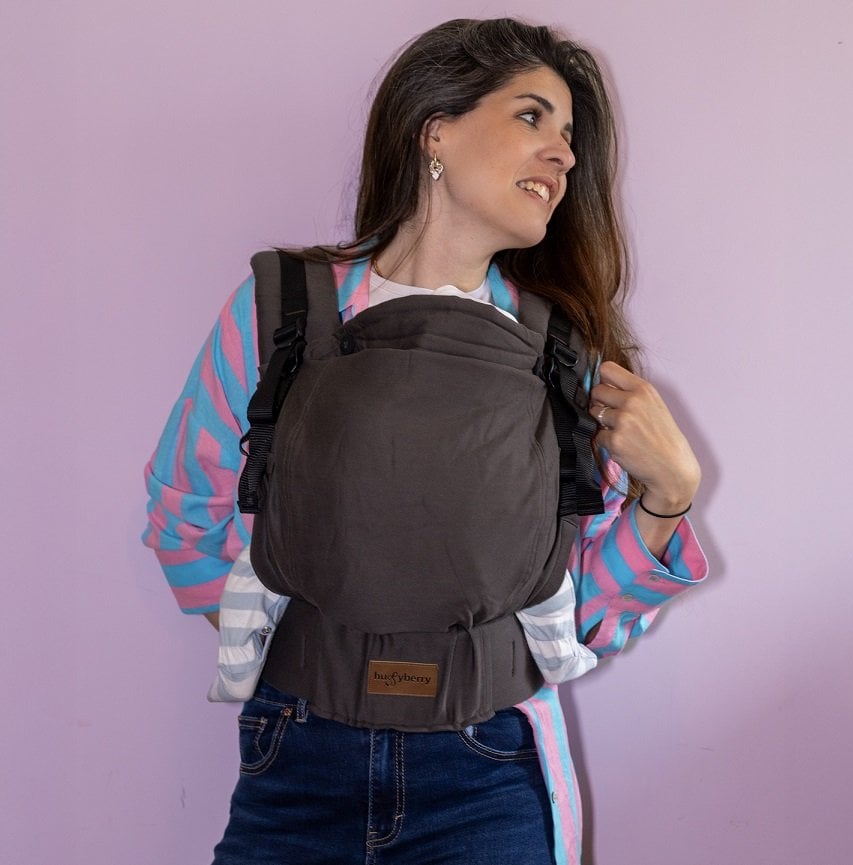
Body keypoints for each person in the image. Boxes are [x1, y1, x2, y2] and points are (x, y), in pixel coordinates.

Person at [143, 17, 707, 865]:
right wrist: (299, 640)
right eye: (533, 116)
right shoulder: (284, 312)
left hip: (487, 776)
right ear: (435, 128)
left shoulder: (565, 357)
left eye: (570, 136)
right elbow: (184, 514)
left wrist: (670, 496)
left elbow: (577, 618)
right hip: (298, 764)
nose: (563, 154)